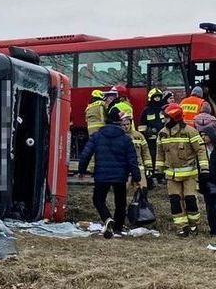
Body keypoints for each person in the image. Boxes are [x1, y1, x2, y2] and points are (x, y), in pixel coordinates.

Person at [79, 107, 142, 238]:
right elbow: (132, 160)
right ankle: (118, 228)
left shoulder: (97, 136)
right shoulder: (125, 139)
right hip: (120, 176)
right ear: (119, 122)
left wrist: (82, 170)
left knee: (98, 200)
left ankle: (107, 218)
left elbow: (86, 154)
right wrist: (137, 177)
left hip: (101, 175)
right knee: (120, 202)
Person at [155, 102, 209, 237]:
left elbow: (201, 150)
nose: (164, 119)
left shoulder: (190, 132)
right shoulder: (162, 134)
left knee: (190, 200)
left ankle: (193, 225)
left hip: (189, 174)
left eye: (166, 117)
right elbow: (160, 153)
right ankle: (181, 227)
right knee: (175, 201)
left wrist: (204, 169)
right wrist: (158, 170)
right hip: (171, 176)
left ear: (174, 118)